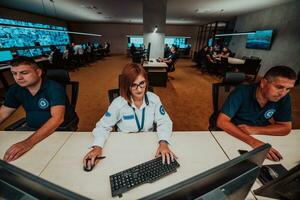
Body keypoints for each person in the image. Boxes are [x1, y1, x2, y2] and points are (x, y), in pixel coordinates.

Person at [83, 63, 176, 170]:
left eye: (142, 83)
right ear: (127, 86)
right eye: (134, 85)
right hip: (124, 147)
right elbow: (103, 126)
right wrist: (97, 147)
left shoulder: (154, 99)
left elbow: (164, 121)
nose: (140, 89)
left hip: (149, 146)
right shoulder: (118, 104)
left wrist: (163, 143)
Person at [0, 57, 77, 162]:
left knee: (47, 161)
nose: (18, 78)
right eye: (14, 73)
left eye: (24, 73)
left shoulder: (54, 88)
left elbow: (57, 119)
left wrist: (27, 143)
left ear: (38, 72)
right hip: (31, 129)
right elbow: (3, 113)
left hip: (58, 130)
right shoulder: (15, 89)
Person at [217, 66, 297, 161]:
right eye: (279, 87)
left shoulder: (284, 98)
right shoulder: (241, 91)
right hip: (234, 134)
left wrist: (254, 130)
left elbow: (286, 128)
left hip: (258, 135)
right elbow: (222, 122)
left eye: (288, 89)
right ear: (263, 83)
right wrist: (254, 142)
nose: (283, 93)